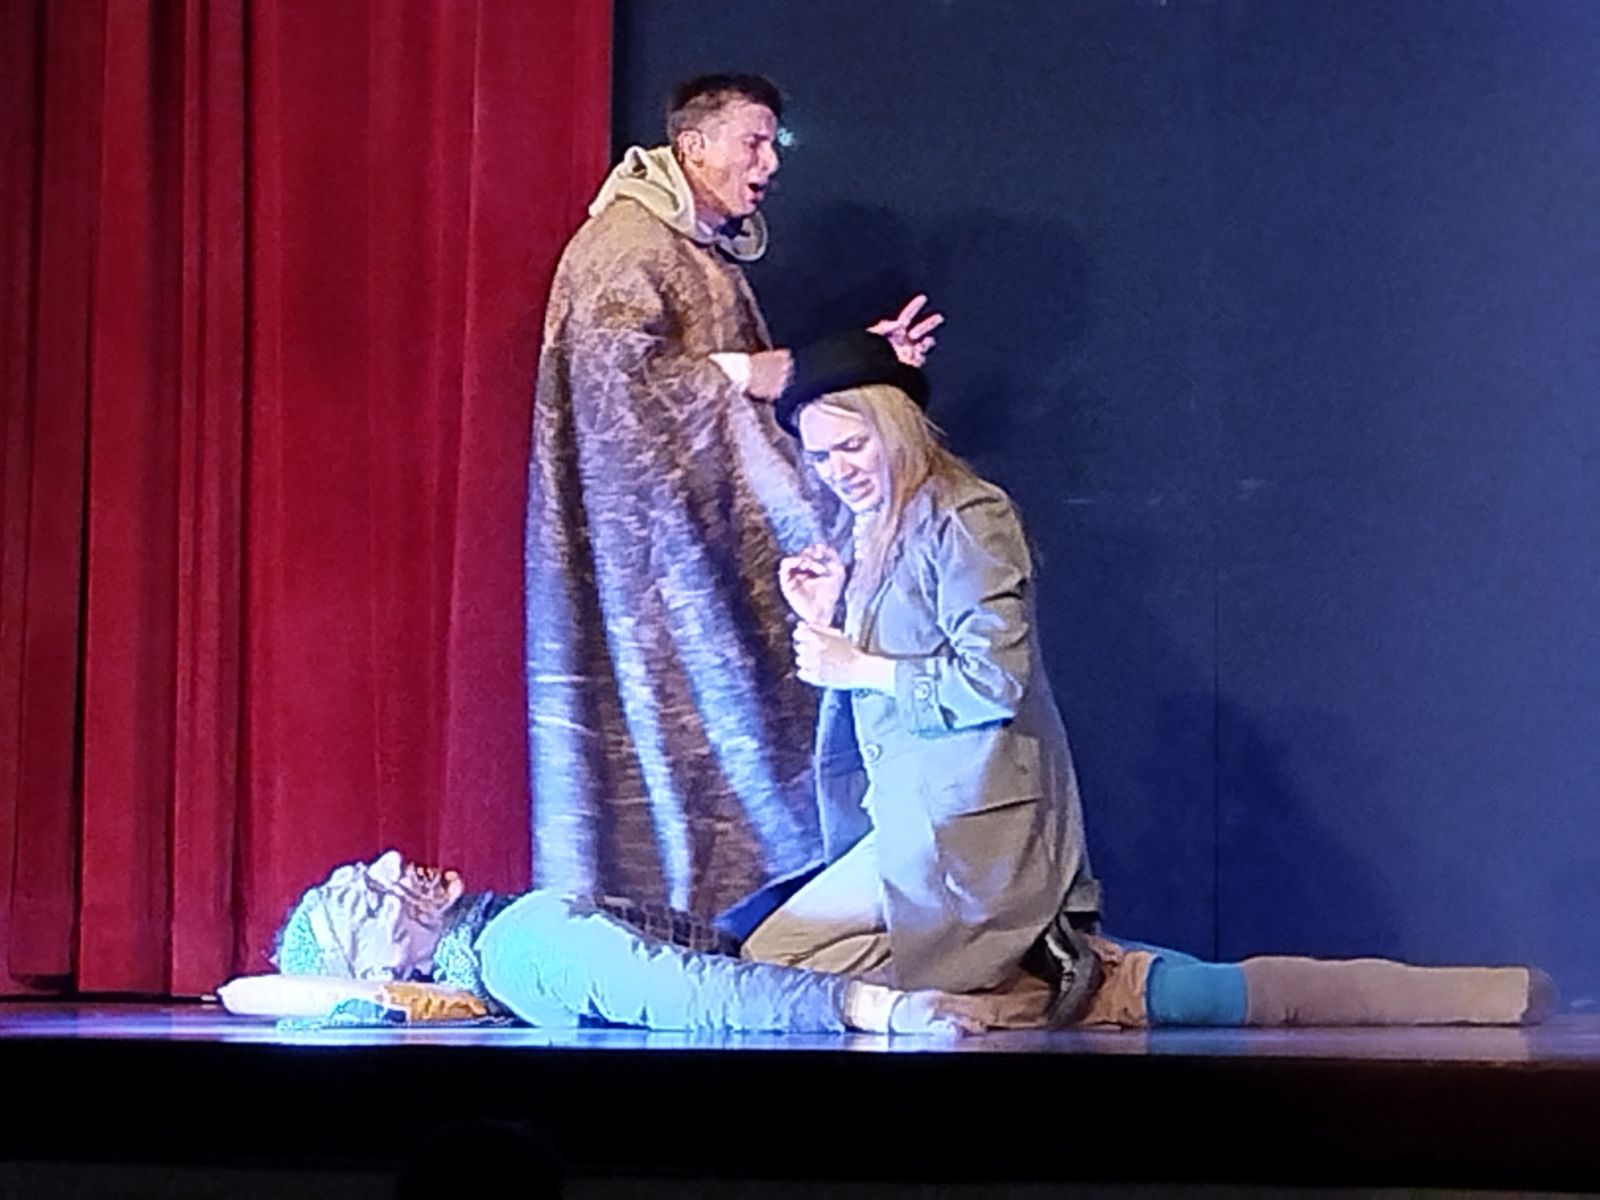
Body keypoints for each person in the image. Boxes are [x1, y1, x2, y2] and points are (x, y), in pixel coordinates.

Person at [526, 72, 939, 920]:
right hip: (656, 589)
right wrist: (756, 373)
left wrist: (859, 364)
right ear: (692, 146)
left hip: (703, 567)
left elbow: (757, 390)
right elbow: (617, 393)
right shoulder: (625, 245)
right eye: (752, 142)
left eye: (772, 145)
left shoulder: (698, 254)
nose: (769, 163)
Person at [740, 332, 1101, 1021]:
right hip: (906, 818)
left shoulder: (966, 515)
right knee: (779, 967)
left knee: (783, 967)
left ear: (894, 426)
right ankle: (1016, 984)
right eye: (820, 456)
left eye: (852, 446)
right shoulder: (870, 526)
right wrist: (829, 618)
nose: (837, 470)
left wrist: (861, 665)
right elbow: (877, 668)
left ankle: (1038, 981)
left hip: (969, 824)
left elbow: (994, 680)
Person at [218, 850, 1553, 1034]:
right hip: (877, 981)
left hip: (877, 959)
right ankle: (1497, 998)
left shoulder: (514, 944)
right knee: (1191, 993)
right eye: (362, 892)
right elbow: (699, 996)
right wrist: (875, 1014)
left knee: (1193, 989)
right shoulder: (529, 944)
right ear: (389, 962)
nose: (387, 866)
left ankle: (1500, 997)